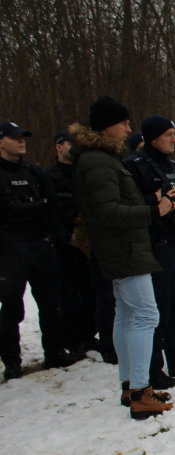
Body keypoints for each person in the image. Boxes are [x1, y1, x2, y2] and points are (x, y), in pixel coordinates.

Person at [70, 96, 174, 419]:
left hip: (121, 248)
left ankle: (131, 386)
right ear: (107, 125)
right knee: (146, 315)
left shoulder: (101, 159)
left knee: (128, 315)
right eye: (124, 122)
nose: (130, 128)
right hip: (124, 249)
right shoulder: (98, 162)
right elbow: (109, 212)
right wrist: (154, 210)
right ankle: (141, 392)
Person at [124, 114, 175, 381]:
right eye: (169, 134)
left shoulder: (171, 165)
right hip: (154, 246)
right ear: (153, 137)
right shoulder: (134, 165)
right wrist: (157, 198)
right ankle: (153, 371)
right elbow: (132, 203)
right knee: (158, 310)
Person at [0, 121, 79, 381]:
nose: (22, 141)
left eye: (23, 137)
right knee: (11, 307)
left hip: (40, 247)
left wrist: (48, 235)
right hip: (10, 251)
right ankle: (11, 360)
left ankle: (55, 352)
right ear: (2, 141)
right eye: (15, 137)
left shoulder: (34, 173)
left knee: (50, 303)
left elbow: (54, 206)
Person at [48, 130, 100, 357]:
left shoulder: (84, 172)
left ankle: (89, 336)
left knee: (91, 291)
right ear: (59, 146)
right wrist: (67, 237)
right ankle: (72, 339)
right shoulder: (50, 176)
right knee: (68, 294)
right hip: (64, 244)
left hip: (89, 241)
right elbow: (47, 214)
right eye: (71, 143)